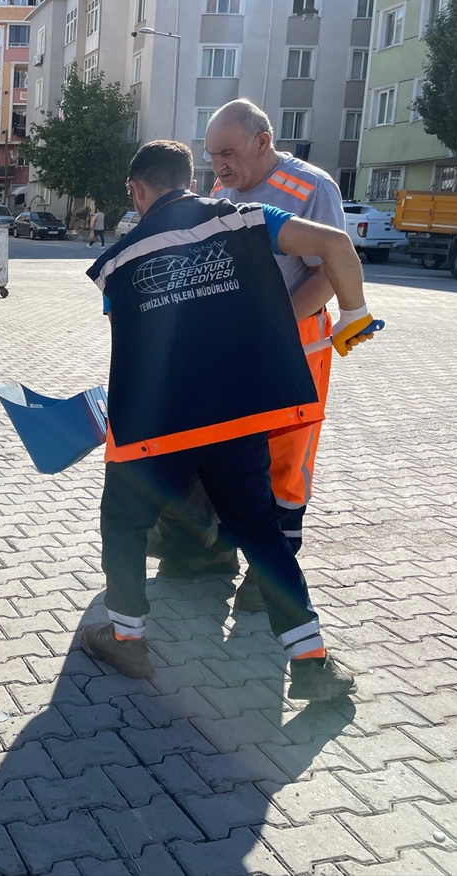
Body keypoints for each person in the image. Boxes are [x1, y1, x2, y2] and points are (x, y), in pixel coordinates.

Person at [81, 140, 376, 700]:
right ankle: (312, 662)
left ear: (137, 190)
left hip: (157, 428)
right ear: (190, 179)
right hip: (238, 419)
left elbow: (136, 342)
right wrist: (355, 315)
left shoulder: (117, 261)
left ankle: (127, 638)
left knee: (123, 523)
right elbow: (335, 243)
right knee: (259, 530)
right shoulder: (246, 219)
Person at [152, 100, 349, 610]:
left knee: (285, 462)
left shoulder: (312, 188)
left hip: (296, 349)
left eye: (228, 153)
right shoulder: (225, 189)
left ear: (263, 142)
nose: (217, 166)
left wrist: (274, 328)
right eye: (212, 155)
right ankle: (217, 552)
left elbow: (330, 270)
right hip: (238, 350)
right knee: (236, 456)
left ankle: (272, 580)